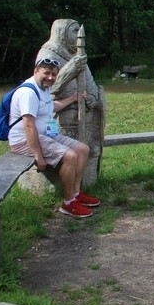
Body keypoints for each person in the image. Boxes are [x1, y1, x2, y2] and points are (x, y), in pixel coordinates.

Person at [8, 57, 99, 218]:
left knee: (83, 149)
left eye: (54, 74)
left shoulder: (43, 89)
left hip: (46, 135)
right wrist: (38, 155)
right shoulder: (28, 93)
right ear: (36, 71)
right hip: (25, 140)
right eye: (47, 73)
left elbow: (50, 107)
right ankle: (68, 203)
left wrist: (72, 98)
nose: (50, 77)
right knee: (70, 156)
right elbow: (28, 125)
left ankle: (76, 194)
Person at [37, 19, 106, 186]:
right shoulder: (48, 54)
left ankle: (88, 186)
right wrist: (70, 69)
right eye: (74, 31)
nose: (78, 36)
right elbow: (49, 88)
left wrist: (93, 97)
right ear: (62, 32)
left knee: (93, 150)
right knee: (68, 153)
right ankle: (69, 191)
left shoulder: (77, 55)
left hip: (87, 114)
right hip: (63, 118)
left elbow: (90, 83)